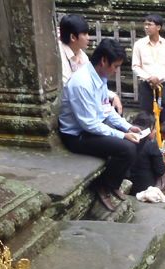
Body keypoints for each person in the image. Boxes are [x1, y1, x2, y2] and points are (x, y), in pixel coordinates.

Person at [59, 38, 143, 212]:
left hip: (91, 129)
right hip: (77, 136)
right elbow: (89, 124)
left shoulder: (99, 77)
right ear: (104, 61)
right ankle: (102, 185)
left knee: (139, 139)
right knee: (127, 148)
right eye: (116, 66)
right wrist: (121, 134)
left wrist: (126, 127)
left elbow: (106, 109)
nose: (116, 71)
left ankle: (113, 183)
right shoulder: (82, 83)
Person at [59, 14, 122, 116]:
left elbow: (94, 80)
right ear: (73, 37)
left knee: (113, 109)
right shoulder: (58, 56)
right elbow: (70, 87)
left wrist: (113, 96)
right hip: (71, 107)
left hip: (84, 98)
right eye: (84, 34)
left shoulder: (82, 55)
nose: (88, 38)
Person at [132, 13, 165, 124]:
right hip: (146, 85)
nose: (146, 27)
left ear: (158, 27)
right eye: (145, 24)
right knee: (146, 117)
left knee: (163, 115)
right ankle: (148, 140)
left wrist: (158, 78)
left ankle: (161, 140)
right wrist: (149, 79)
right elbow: (135, 66)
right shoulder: (139, 44)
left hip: (162, 85)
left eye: (150, 24)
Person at [128, 111, 165, 196]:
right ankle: (160, 194)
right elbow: (161, 172)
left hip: (130, 184)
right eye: (154, 128)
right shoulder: (151, 146)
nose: (155, 131)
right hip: (145, 187)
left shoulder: (127, 140)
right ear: (148, 129)